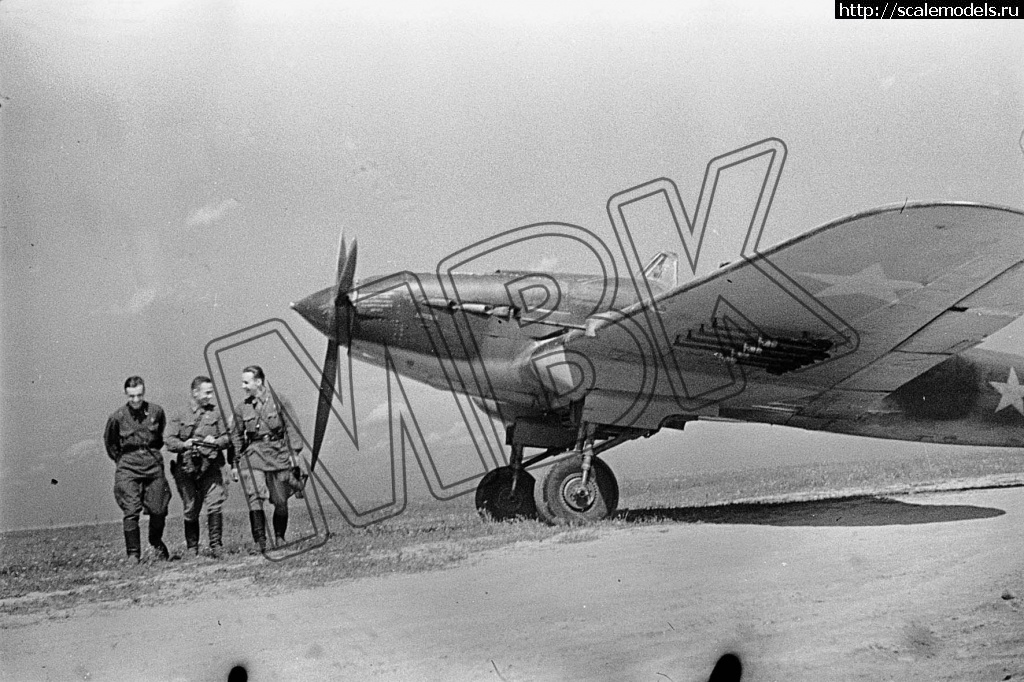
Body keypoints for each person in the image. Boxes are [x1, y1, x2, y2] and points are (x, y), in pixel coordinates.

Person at [229, 365, 304, 552]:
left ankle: (279, 537)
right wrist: (235, 463)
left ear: (259, 382)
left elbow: (291, 426)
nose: (243, 386)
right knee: (255, 495)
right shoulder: (242, 408)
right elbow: (236, 436)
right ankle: (260, 541)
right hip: (253, 454)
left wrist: (295, 453)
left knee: (280, 500)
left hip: (277, 453)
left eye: (246, 382)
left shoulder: (279, 401)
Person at [103, 376, 172, 562]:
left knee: (159, 507)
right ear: (125, 394)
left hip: (152, 463)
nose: (136, 400)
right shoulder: (117, 417)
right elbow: (110, 443)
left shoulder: (156, 411)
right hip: (128, 465)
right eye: (132, 396)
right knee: (131, 509)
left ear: (144, 393)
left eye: (139, 395)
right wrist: (123, 460)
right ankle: (133, 555)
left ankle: (156, 541)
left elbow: (159, 436)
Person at [165, 376, 231, 558]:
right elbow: (169, 440)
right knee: (190, 507)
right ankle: (192, 548)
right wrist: (185, 444)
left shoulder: (217, 413)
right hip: (188, 468)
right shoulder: (180, 414)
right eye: (206, 392)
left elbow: (228, 438)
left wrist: (216, 442)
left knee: (215, 503)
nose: (210, 396)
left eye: (211, 392)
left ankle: (216, 546)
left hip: (211, 466)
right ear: (195, 392)